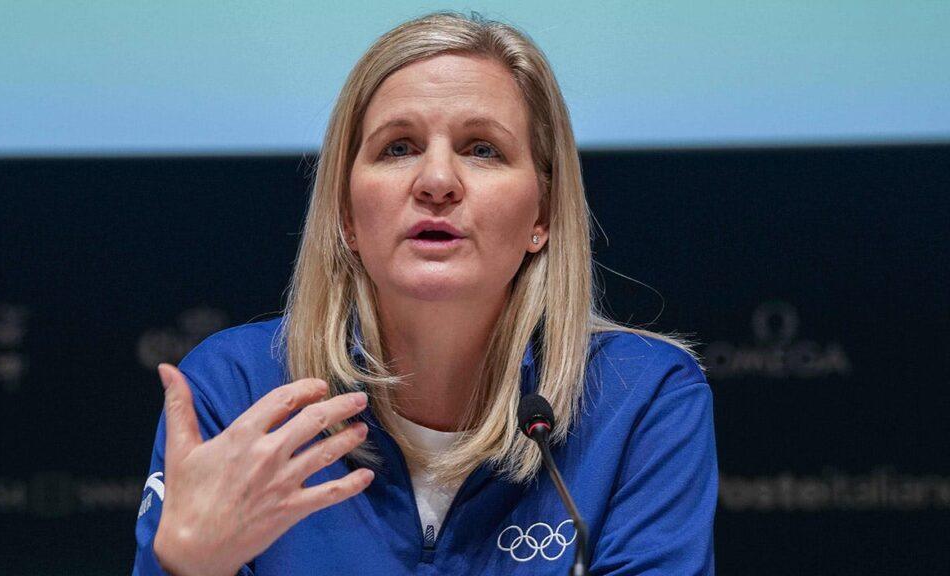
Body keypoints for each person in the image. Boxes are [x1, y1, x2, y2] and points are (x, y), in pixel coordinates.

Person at [132, 11, 716, 576]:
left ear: (543, 214)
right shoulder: (239, 390)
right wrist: (191, 572)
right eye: (399, 147)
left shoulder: (639, 400)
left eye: (482, 149)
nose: (437, 182)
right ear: (346, 214)